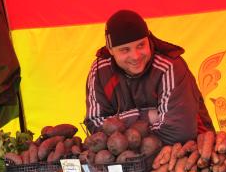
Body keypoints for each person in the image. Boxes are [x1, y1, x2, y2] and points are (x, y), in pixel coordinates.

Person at [84, 9, 213, 145]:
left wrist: (119, 131)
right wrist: (146, 116)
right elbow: (95, 127)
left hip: (191, 152)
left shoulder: (169, 66)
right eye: (125, 50)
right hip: (129, 158)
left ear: (149, 39)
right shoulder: (100, 71)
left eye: (141, 45)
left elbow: (179, 132)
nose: (135, 56)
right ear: (110, 50)